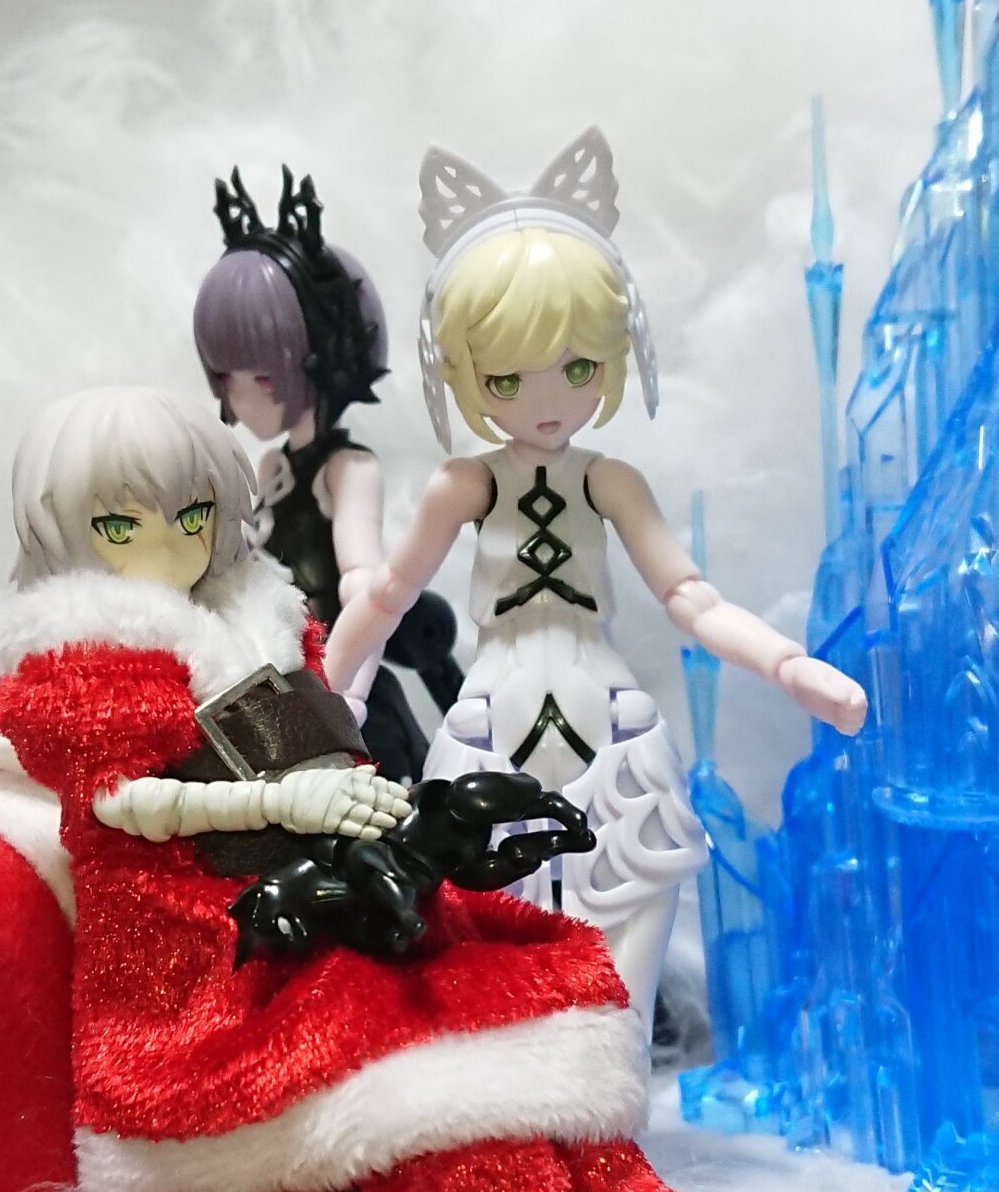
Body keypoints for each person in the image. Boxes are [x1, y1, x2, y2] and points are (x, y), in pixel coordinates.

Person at [0, 382, 759, 1192]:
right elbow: (124, 806)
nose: (167, 543)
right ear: (68, 530)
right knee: (442, 1116)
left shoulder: (254, 617)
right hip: (203, 992)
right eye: (121, 523)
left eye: (191, 513)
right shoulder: (79, 665)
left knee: (536, 1064)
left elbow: (330, 752)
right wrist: (284, 805)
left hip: (331, 914)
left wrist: (374, 812)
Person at [324, 129, 868, 1039]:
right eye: (507, 377)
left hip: (605, 713)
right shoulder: (462, 484)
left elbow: (690, 598)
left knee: (630, 901)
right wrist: (330, 698)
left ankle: (615, 1072)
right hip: (494, 713)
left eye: (576, 368)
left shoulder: (610, 480)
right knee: (487, 918)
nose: (546, 400)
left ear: (615, 357)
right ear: (462, 373)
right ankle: (520, 1087)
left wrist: (786, 665)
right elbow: (385, 597)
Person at [194, 167, 460, 780]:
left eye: (258, 376)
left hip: (340, 683)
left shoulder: (347, 469)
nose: (236, 395)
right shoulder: (271, 468)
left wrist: (343, 684)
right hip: (280, 678)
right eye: (225, 376)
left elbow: (364, 586)